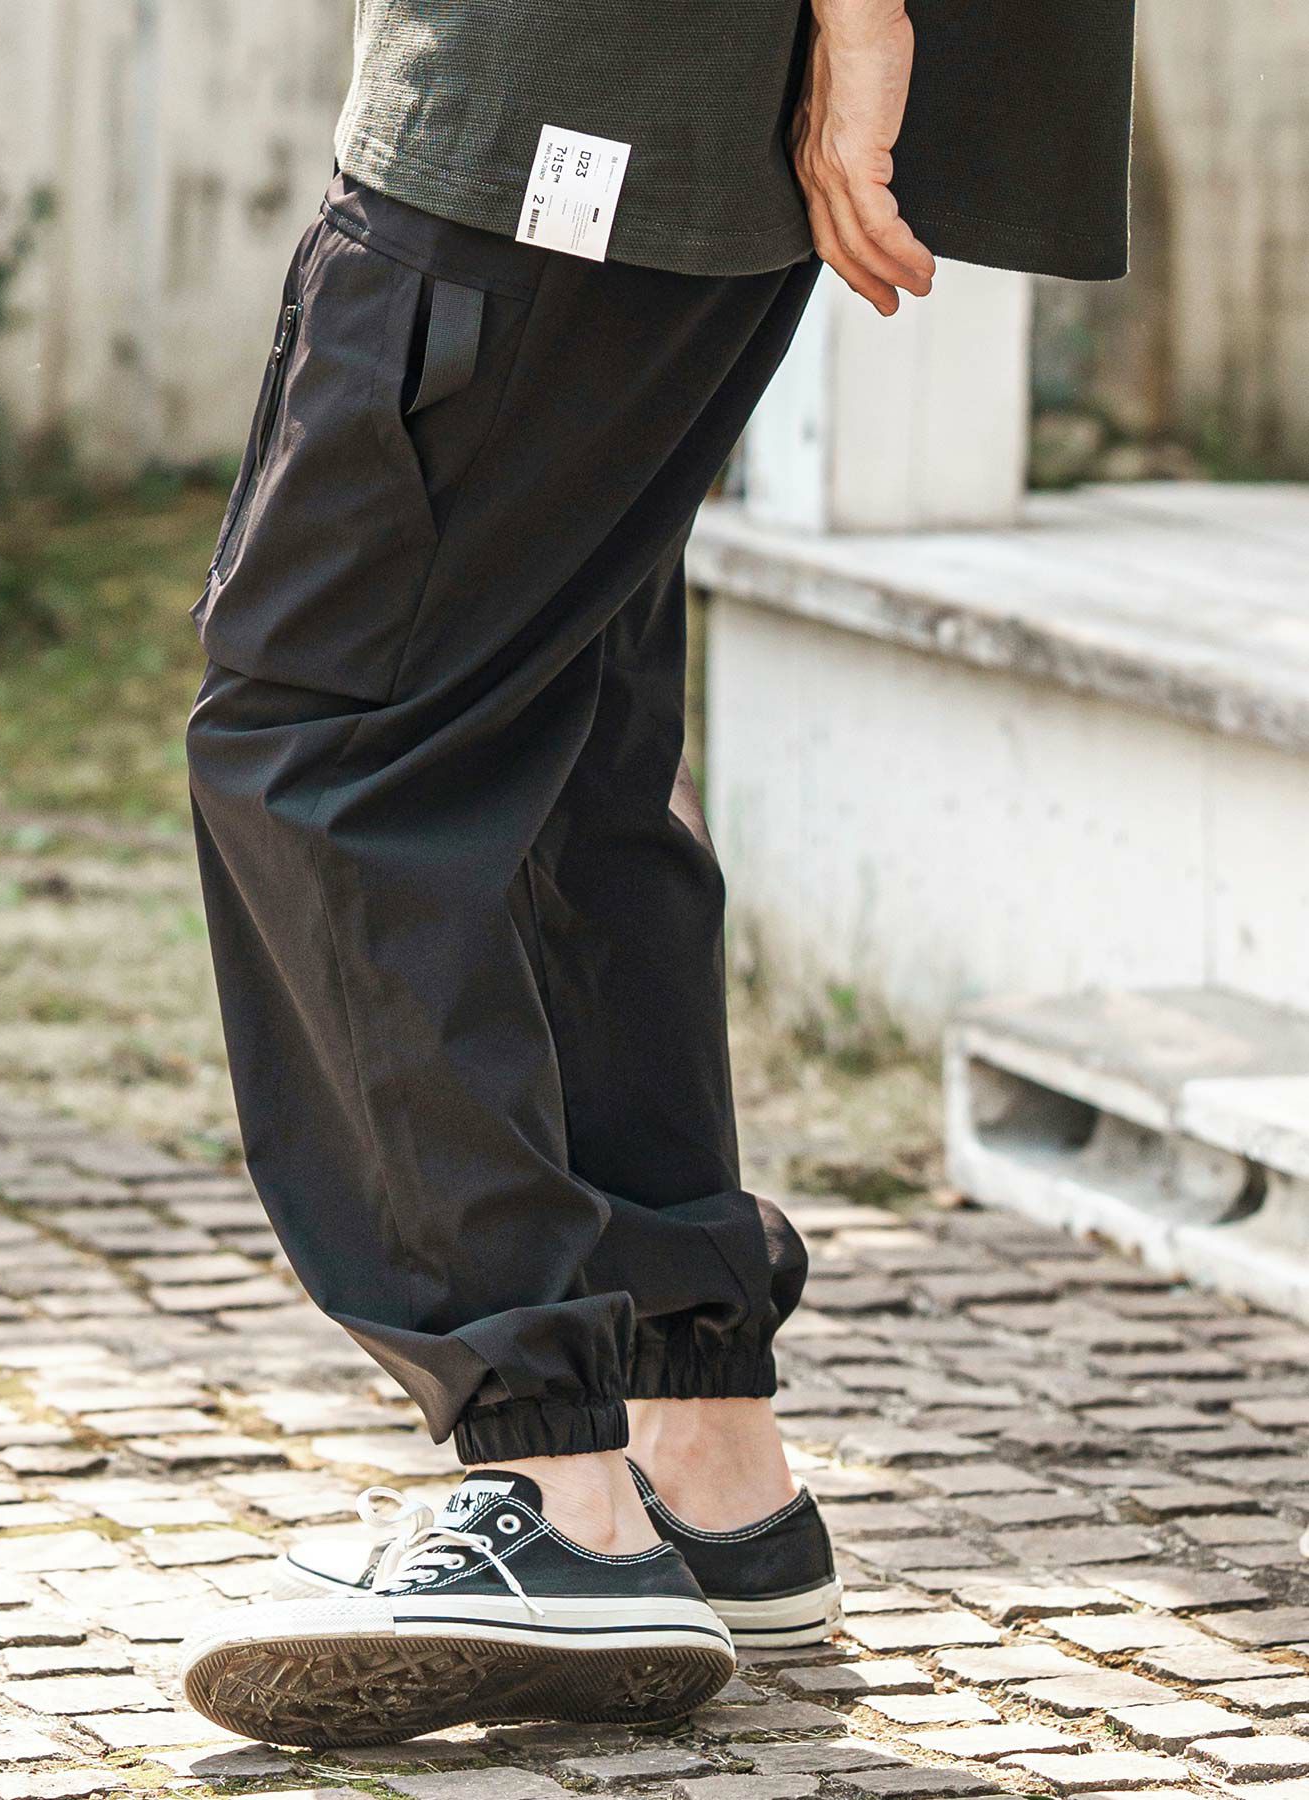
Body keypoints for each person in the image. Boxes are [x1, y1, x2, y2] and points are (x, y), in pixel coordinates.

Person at [180, 0, 1136, 1746]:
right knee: (560, 755)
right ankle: (708, 1461)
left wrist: (863, 23)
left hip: (586, 74)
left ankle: (555, 1491)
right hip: (664, 103)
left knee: (326, 741)